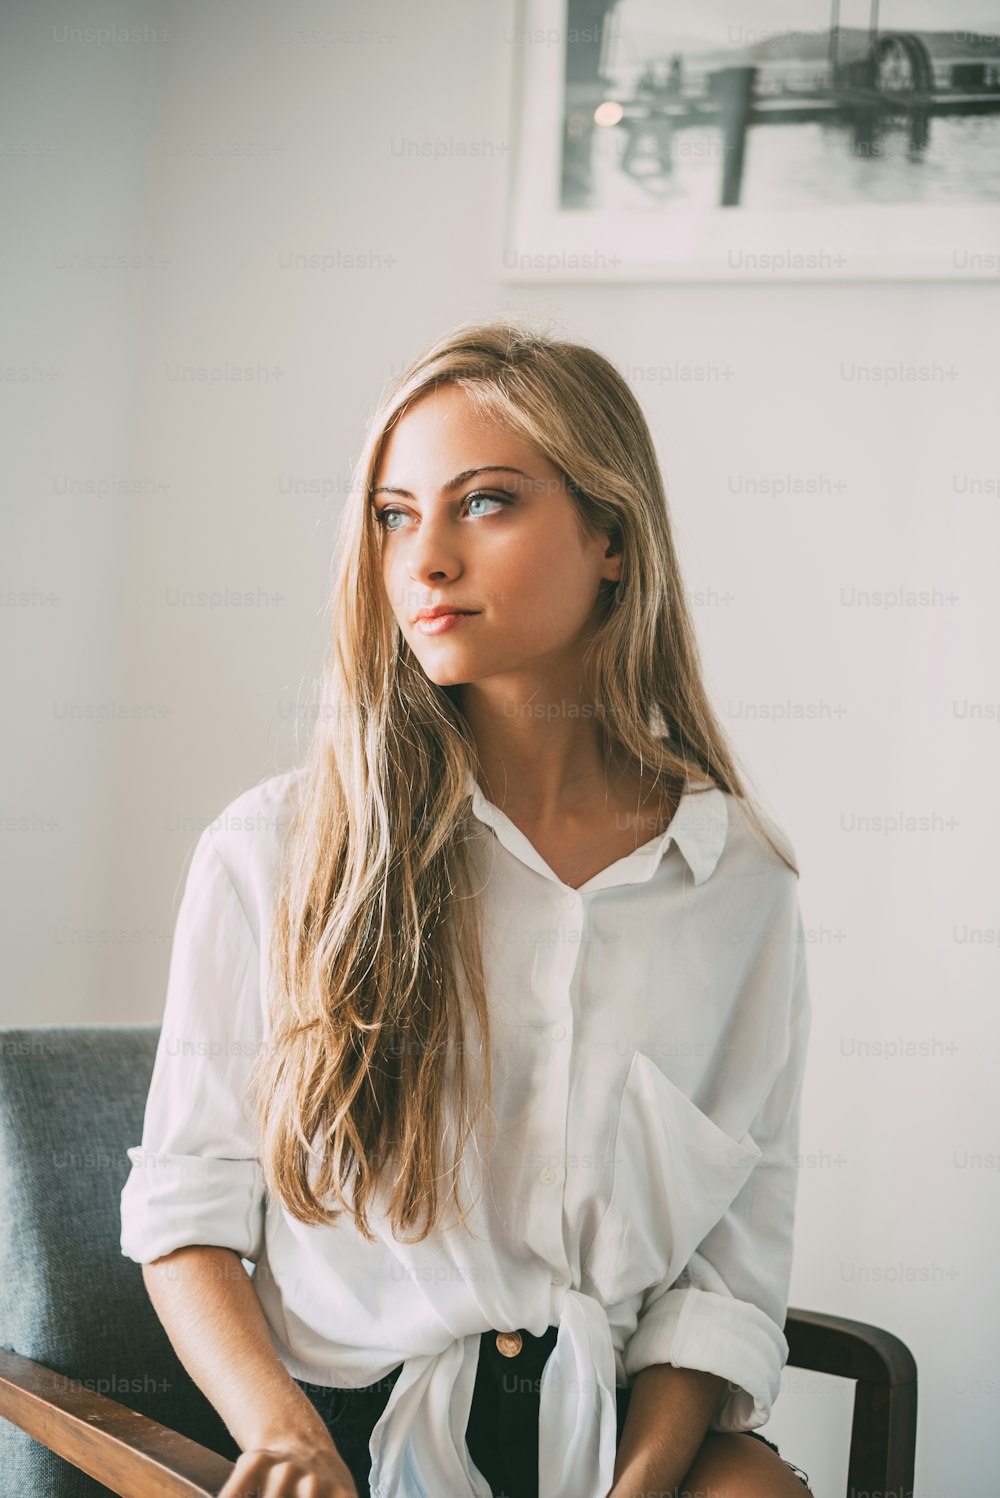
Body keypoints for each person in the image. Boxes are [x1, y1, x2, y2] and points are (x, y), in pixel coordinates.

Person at [120, 317, 815, 1498]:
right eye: (394, 515)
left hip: (606, 1426)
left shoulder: (739, 880)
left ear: (610, 535)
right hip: (344, 1421)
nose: (422, 559)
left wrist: (637, 1486)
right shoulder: (274, 848)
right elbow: (187, 1210)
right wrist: (280, 1434)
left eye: (483, 503)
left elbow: (724, 1268)